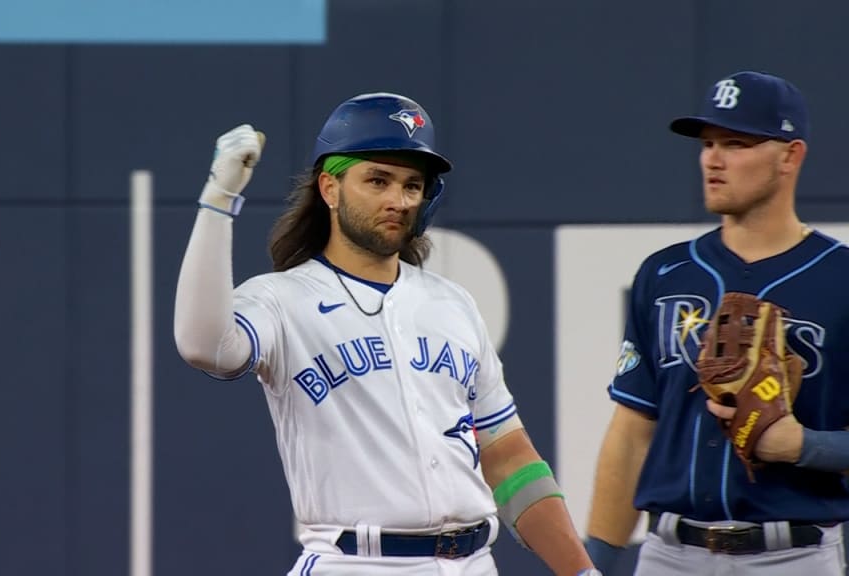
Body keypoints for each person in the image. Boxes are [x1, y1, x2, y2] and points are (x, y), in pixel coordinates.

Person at [174, 92, 599, 575]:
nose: (398, 200)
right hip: (356, 562)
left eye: (412, 185)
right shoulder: (281, 299)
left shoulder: (452, 303)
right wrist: (218, 199)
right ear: (329, 188)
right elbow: (203, 345)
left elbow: (507, 455)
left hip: (474, 563)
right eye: (377, 180)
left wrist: (581, 571)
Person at [585, 70, 849, 575]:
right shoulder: (665, 273)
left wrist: (804, 446)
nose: (713, 159)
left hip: (793, 557)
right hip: (669, 553)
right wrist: (592, 564)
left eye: (736, 142)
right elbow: (633, 432)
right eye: (707, 143)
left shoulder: (841, 278)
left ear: (790, 156)